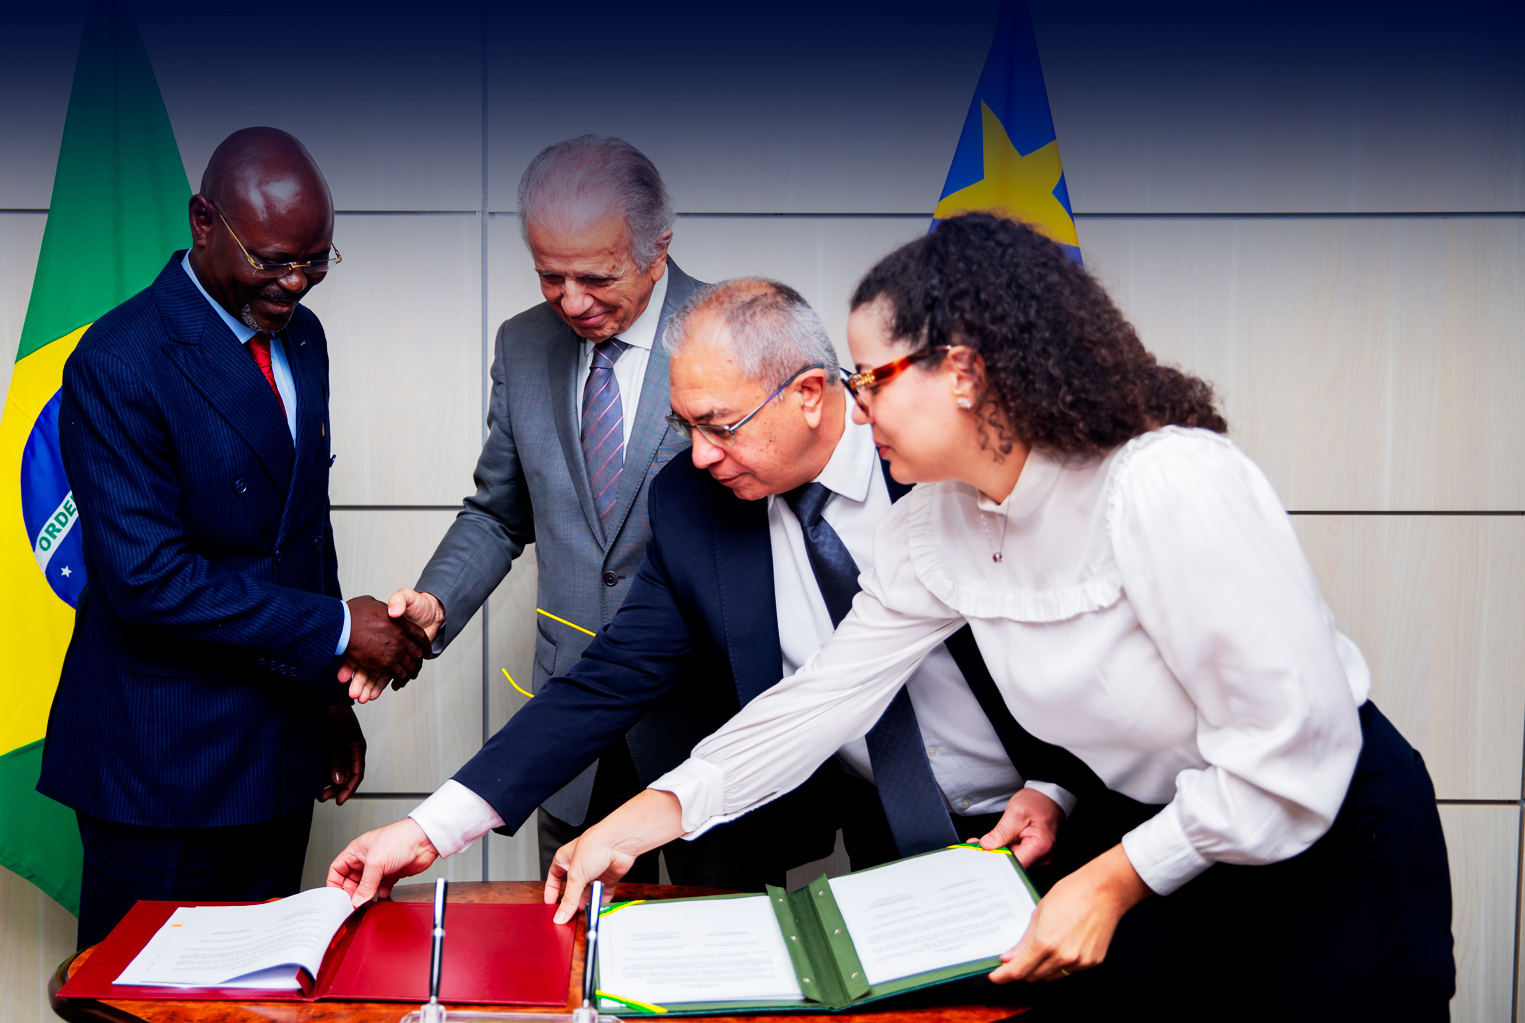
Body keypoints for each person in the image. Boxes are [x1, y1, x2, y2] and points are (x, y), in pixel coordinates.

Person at [541, 213, 1456, 1021]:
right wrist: (648, 816)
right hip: (1158, 842)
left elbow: (1289, 753)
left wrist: (1113, 878)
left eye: (872, 377)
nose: (855, 406)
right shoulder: (935, 523)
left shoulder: (1168, 481)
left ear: (966, 373)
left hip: (1324, 840)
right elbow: (824, 697)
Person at [328, 278, 1093, 904]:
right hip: (883, 827)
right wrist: (429, 828)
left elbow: (1086, 638)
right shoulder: (691, 504)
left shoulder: (939, 464)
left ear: (810, 394)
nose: (698, 455)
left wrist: (1057, 782)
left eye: (720, 425)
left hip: (1062, 808)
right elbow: (608, 681)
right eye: (683, 425)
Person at [37, 127, 431, 950]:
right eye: (273, 261)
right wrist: (339, 628)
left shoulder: (303, 337)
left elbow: (301, 530)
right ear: (203, 221)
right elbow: (149, 581)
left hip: (278, 751)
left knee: (269, 990)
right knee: (148, 997)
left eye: (316, 261)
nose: (296, 283)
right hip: (161, 768)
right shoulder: (117, 360)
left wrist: (327, 693)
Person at [364, 136, 702, 878]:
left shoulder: (730, 332)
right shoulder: (522, 344)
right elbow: (498, 511)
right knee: (571, 938)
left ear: (657, 250)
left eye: (597, 277)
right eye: (551, 276)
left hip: (705, 726)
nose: (572, 302)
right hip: (569, 732)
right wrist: (436, 601)